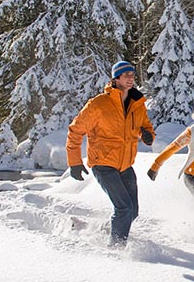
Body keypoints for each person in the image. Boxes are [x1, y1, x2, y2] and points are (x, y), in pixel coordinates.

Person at [66, 60, 155, 247]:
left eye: (132, 75)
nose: (131, 79)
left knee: (133, 211)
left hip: (125, 164)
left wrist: (146, 134)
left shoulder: (137, 103)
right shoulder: (98, 104)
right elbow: (75, 131)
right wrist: (74, 162)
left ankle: (107, 230)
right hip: (103, 164)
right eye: (126, 75)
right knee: (123, 208)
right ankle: (115, 250)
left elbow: (144, 126)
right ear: (116, 79)